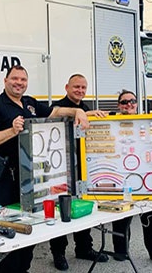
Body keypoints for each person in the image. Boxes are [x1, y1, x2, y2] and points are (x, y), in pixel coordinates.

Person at [0, 65, 89, 273]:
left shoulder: (29, 103)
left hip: (30, 178)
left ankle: (23, 269)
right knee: (9, 228)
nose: (19, 83)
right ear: (5, 81)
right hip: (6, 179)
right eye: (15, 79)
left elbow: (55, 111)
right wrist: (12, 131)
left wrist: (78, 110)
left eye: (23, 80)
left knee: (31, 226)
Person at [48, 73, 109, 271]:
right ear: (67, 87)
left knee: (83, 208)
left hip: (82, 168)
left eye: (83, 88)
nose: (80, 91)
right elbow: (59, 117)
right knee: (61, 212)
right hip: (61, 169)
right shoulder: (58, 107)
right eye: (76, 87)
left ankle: (84, 248)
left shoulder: (85, 108)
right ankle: (58, 254)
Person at [111, 89, 152, 267]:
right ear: (119, 105)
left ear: (137, 103)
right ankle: (120, 251)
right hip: (121, 177)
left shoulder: (148, 122)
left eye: (132, 101)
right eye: (124, 102)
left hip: (146, 178)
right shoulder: (110, 121)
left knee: (151, 216)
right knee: (121, 216)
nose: (129, 105)